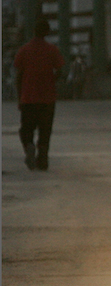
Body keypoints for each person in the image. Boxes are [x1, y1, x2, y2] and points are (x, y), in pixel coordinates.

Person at [13, 18, 66, 171]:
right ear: (47, 32)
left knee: (26, 129)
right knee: (45, 130)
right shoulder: (52, 50)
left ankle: (29, 145)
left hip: (28, 97)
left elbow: (19, 76)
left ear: (34, 32)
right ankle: (42, 159)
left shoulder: (24, 50)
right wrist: (51, 80)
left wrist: (20, 97)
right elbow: (60, 71)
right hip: (47, 98)